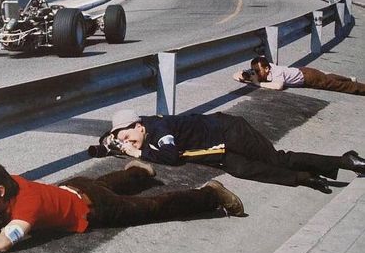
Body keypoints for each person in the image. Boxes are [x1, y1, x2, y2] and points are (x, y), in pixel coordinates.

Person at [0, 157, 244, 252]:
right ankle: (139, 171)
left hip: (95, 207)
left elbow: (1, 242)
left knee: (152, 208)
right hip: (76, 187)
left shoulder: (27, 206)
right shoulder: (6, 180)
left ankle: (210, 194)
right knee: (108, 182)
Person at [107, 108, 365, 193]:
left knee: (277, 159)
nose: (128, 142)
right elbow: (114, 142)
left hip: (230, 131)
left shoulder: (159, 129)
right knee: (244, 170)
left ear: (139, 126)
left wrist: (137, 154)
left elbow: (171, 158)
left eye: (128, 136)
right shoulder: (145, 134)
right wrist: (112, 145)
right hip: (218, 150)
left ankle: (345, 161)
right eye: (123, 140)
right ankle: (306, 178)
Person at [234, 56, 365, 95]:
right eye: (254, 71)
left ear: (267, 68)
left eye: (257, 71)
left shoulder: (277, 72)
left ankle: (360, 87)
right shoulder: (265, 67)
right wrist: (245, 75)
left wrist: (258, 83)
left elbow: (279, 86)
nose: (255, 73)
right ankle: (349, 79)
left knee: (336, 85)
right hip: (302, 70)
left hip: (309, 78)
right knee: (329, 77)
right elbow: (235, 75)